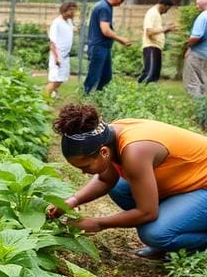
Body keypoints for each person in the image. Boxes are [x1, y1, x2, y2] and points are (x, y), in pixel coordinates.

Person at [48, 103, 207, 259]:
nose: (83, 171)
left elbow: (147, 213)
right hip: (189, 179)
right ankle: (176, 225)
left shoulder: (135, 151)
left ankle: (184, 238)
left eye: (86, 166)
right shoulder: (108, 137)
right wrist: (73, 200)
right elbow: (106, 180)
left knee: (154, 233)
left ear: (104, 152)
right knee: (119, 188)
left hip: (203, 185)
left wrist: (98, 223)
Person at [83, 0, 132, 94]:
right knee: (93, 76)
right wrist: (121, 39)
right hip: (98, 47)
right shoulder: (103, 7)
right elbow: (105, 30)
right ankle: (85, 99)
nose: (121, 3)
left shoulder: (106, 7)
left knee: (106, 76)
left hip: (104, 47)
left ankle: (97, 97)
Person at [138, 0, 177, 84]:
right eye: (167, 9)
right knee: (150, 74)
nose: (167, 11)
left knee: (154, 74)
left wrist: (167, 29)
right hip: (151, 46)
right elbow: (149, 32)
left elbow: (157, 32)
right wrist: (165, 28)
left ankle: (144, 92)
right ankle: (141, 92)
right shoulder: (152, 13)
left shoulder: (157, 14)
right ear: (163, 5)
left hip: (156, 46)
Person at [44, 1, 77, 97]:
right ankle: (44, 100)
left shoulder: (69, 21)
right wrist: (56, 57)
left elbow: (69, 30)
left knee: (61, 79)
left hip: (65, 55)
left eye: (74, 10)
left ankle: (52, 94)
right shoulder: (56, 23)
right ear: (64, 10)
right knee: (55, 80)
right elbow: (52, 42)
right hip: (58, 55)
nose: (73, 13)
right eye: (71, 11)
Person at [182, 0, 207, 97]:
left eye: (197, 3)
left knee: (193, 83)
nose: (196, 6)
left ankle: (198, 110)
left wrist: (187, 46)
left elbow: (197, 37)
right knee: (203, 82)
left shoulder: (203, 16)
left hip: (198, 54)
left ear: (204, 3)